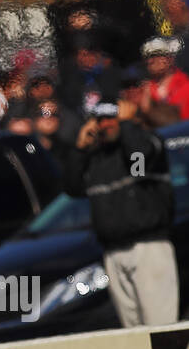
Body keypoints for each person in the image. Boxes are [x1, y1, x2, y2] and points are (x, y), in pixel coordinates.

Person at [58, 94, 178, 327]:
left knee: (160, 331)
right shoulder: (97, 157)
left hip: (148, 250)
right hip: (113, 253)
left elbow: (138, 166)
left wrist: (127, 125)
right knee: (133, 336)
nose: (105, 125)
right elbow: (73, 188)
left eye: (111, 118)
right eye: (100, 119)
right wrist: (80, 149)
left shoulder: (146, 143)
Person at [140, 37, 189, 124]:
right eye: (147, 57)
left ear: (170, 59)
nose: (150, 61)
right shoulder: (144, 88)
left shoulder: (185, 85)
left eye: (156, 55)